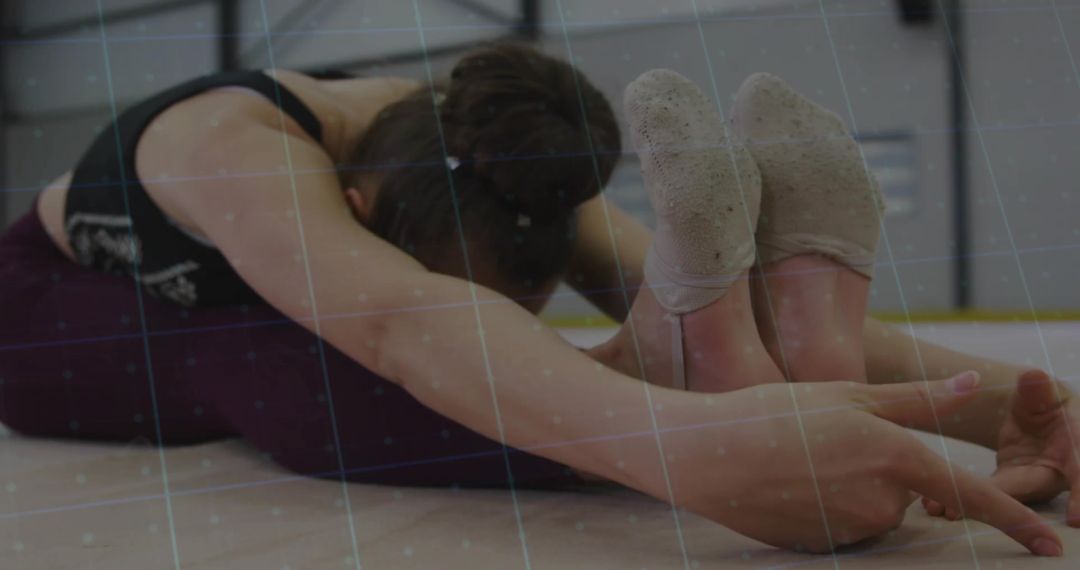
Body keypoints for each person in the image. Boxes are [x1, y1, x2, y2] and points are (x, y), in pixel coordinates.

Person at [0, 42, 1073, 555]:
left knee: (663, 329)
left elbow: (711, 292)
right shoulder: (235, 151)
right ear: (362, 208)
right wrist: (682, 445)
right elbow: (405, 325)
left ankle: (712, 385)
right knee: (293, 367)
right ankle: (690, 394)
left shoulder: (508, 170)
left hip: (272, 297)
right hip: (39, 311)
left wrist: (1014, 403)